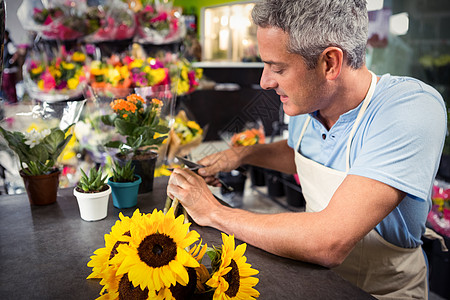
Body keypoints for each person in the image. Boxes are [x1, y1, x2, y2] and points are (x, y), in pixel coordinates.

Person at [167, 0, 447, 298]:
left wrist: (213, 212)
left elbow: (329, 242)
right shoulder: (309, 102)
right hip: (313, 283)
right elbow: (302, 154)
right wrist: (241, 156)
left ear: (330, 63)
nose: (265, 81)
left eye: (278, 67)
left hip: (383, 293)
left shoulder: (409, 108)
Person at [2, 30, 18, 103]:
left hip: (10, 69)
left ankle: (13, 100)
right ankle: (9, 99)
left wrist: (11, 61)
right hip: (6, 68)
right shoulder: (5, 44)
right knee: (6, 85)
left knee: (10, 85)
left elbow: (16, 53)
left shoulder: (9, 44)